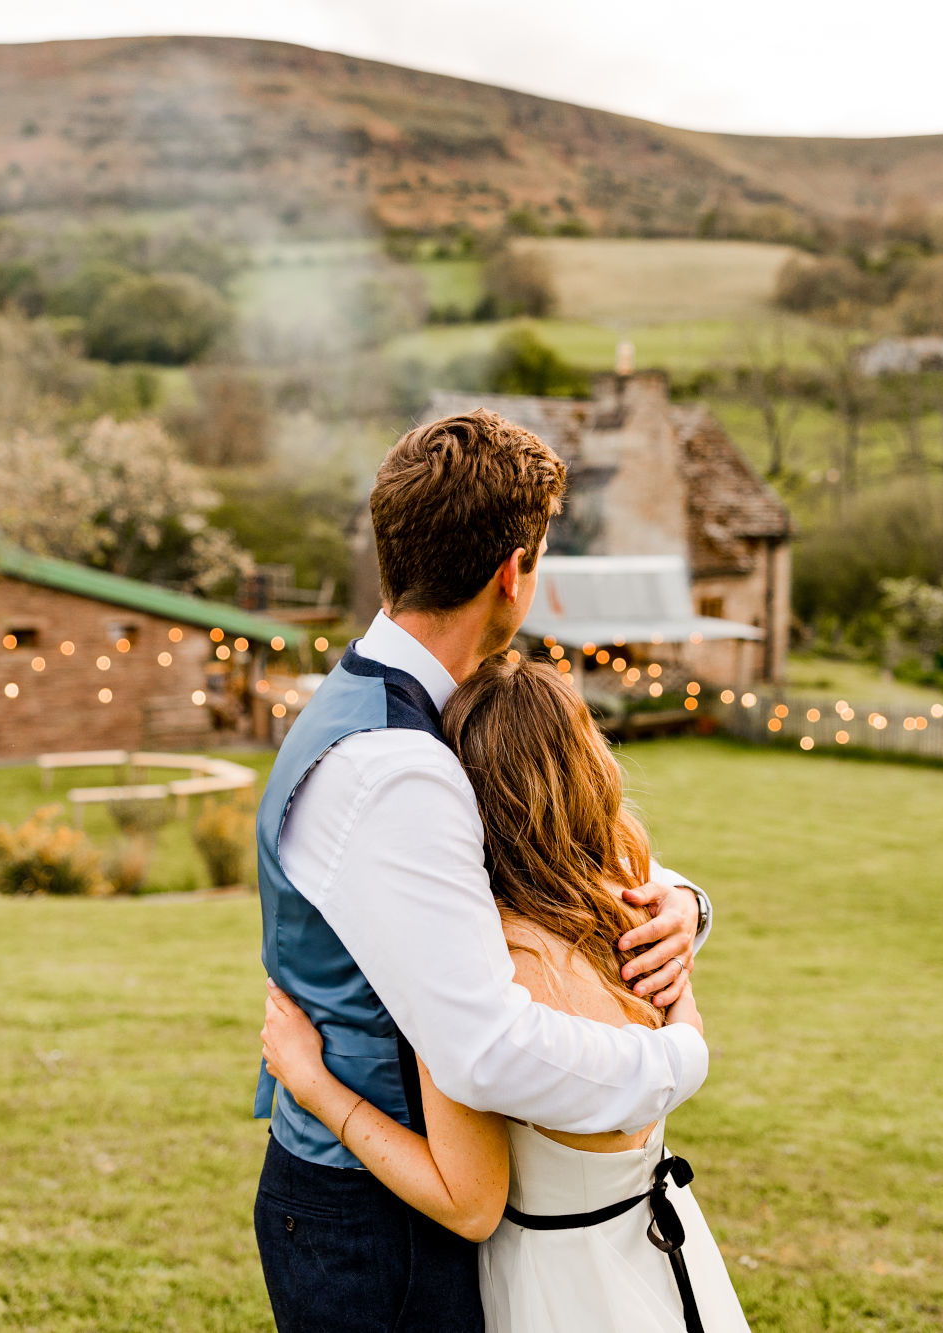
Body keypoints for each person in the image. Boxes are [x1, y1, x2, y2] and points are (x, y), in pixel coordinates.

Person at [251, 411, 716, 1331]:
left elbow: (547, 856)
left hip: (395, 1202)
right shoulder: (398, 766)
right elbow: (488, 1049)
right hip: (377, 1225)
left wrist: (680, 905)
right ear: (514, 572)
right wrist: (677, 1057)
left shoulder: (416, 716)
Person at [263, 653, 749, 1332]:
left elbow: (469, 1202)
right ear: (590, 763)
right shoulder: (634, 900)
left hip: (555, 1289)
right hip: (664, 1258)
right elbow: (678, 1023)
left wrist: (312, 1083)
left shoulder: (481, 960)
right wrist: (690, 917)